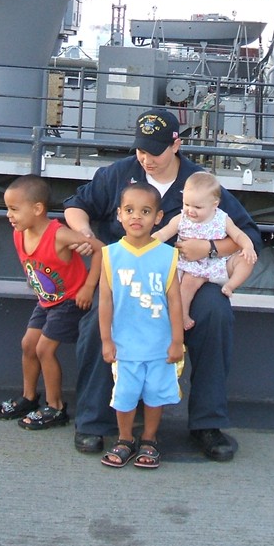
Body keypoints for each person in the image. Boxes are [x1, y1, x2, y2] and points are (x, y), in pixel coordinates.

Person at [64, 108, 262, 462]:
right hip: (128, 278)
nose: (146, 159)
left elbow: (248, 236)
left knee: (215, 313)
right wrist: (85, 233)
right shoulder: (118, 174)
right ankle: (93, 421)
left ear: (176, 145)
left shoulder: (199, 182)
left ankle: (207, 423)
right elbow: (77, 205)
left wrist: (210, 248)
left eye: (155, 152)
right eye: (141, 150)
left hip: (186, 274)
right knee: (97, 323)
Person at [0, 174, 103, 431]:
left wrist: (88, 287)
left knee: (44, 349)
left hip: (69, 302)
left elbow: (101, 250)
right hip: (47, 301)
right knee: (28, 344)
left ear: (37, 208)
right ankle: (29, 397)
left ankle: (56, 407)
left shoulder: (59, 235)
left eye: (14, 209)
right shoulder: (19, 232)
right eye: (7, 209)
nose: (9, 215)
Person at [98, 182, 184, 468]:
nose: (137, 216)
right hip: (125, 345)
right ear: (119, 214)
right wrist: (106, 340)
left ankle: (149, 438)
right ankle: (125, 438)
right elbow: (105, 301)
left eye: (145, 211)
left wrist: (176, 340)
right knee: (124, 394)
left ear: (158, 217)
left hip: (160, 344)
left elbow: (175, 301)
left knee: (155, 395)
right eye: (130, 210)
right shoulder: (110, 255)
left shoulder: (167, 255)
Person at [153, 171, 258, 330]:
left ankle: (230, 286)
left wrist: (248, 247)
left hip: (219, 264)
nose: (190, 211)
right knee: (186, 286)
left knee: (246, 260)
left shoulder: (222, 219)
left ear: (214, 204)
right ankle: (183, 314)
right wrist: (150, 242)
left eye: (197, 207)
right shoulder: (181, 219)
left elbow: (238, 235)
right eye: (186, 204)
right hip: (192, 266)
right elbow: (164, 233)